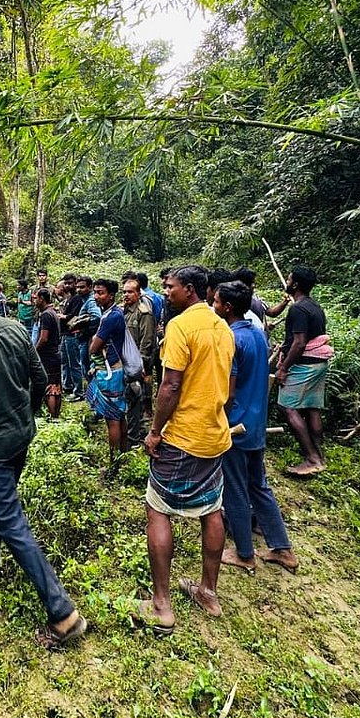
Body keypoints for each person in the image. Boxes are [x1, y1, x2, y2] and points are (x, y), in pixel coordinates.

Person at [0, 278, 86, 649]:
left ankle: (62, 610)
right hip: (20, 436)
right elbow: (39, 378)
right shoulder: (16, 328)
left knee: (9, 517)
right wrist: (28, 413)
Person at [137, 265, 234, 634]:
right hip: (214, 434)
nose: (165, 292)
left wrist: (155, 431)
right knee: (211, 509)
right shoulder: (221, 327)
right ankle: (208, 591)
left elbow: (171, 385)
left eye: (170, 287)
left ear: (190, 290)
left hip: (182, 437)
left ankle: (161, 605)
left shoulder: (180, 327)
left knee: (158, 510)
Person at [213, 281, 298, 575]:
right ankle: (281, 548)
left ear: (227, 307)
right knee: (258, 485)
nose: (213, 305)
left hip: (235, 426)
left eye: (216, 301)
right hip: (257, 424)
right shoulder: (259, 334)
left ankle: (244, 553)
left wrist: (218, 422)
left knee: (235, 490)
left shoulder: (230, 339)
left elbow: (229, 391)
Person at [274, 266, 331, 476]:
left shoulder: (298, 309)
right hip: (318, 364)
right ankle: (318, 454)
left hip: (304, 365)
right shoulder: (314, 306)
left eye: (289, 279)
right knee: (312, 408)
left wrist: (283, 368)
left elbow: (299, 343)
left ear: (295, 284)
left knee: (287, 407)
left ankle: (312, 458)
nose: (287, 282)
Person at [88, 279, 130, 471]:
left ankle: (114, 463)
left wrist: (94, 342)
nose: (96, 296)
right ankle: (123, 454)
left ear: (111, 295)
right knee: (120, 414)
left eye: (101, 293)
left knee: (112, 418)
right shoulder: (115, 313)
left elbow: (94, 347)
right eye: (95, 292)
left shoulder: (110, 317)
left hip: (110, 372)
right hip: (117, 367)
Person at [122, 277, 157, 449]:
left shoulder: (144, 313)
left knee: (137, 398)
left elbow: (147, 341)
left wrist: (140, 366)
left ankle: (134, 437)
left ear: (138, 293)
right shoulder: (124, 311)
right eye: (124, 292)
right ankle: (138, 430)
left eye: (129, 292)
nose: (126, 295)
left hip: (138, 365)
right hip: (127, 363)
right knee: (131, 399)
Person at [34, 288, 62, 418]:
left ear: (42, 299)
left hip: (48, 355)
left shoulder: (45, 314)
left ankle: (52, 416)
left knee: (50, 386)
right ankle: (56, 416)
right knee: (56, 385)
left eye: (36, 298)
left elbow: (44, 337)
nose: (35, 301)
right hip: (55, 352)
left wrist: (34, 351)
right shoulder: (53, 312)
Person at [60, 274, 86, 400]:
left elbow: (74, 316)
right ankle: (67, 386)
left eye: (70, 283)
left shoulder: (77, 299)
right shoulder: (69, 298)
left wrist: (63, 317)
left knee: (74, 363)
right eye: (66, 283)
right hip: (65, 334)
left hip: (72, 334)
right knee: (65, 362)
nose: (67, 285)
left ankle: (79, 392)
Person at [15, 277, 36, 343]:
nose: (17, 286)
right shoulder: (20, 294)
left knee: (29, 333)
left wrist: (23, 302)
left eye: (19, 285)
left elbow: (33, 303)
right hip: (21, 317)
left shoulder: (30, 293)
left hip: (29, 317)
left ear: (23, 286)